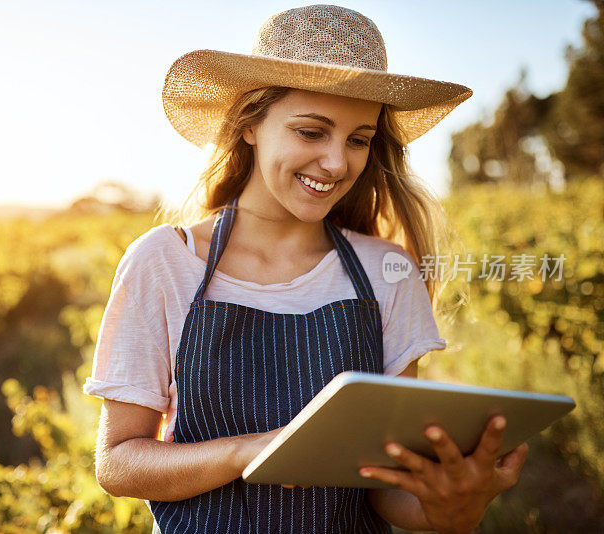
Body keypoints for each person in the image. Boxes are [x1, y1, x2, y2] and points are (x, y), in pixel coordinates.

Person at [82, 4, 528, 533]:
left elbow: (384, 492)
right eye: (312, 132)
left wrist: (457, 506)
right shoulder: (164, 262)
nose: (338, 163)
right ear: (250, 124)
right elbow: (118, 463)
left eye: (358, 140)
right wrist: (248, 453)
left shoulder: (386, 271)